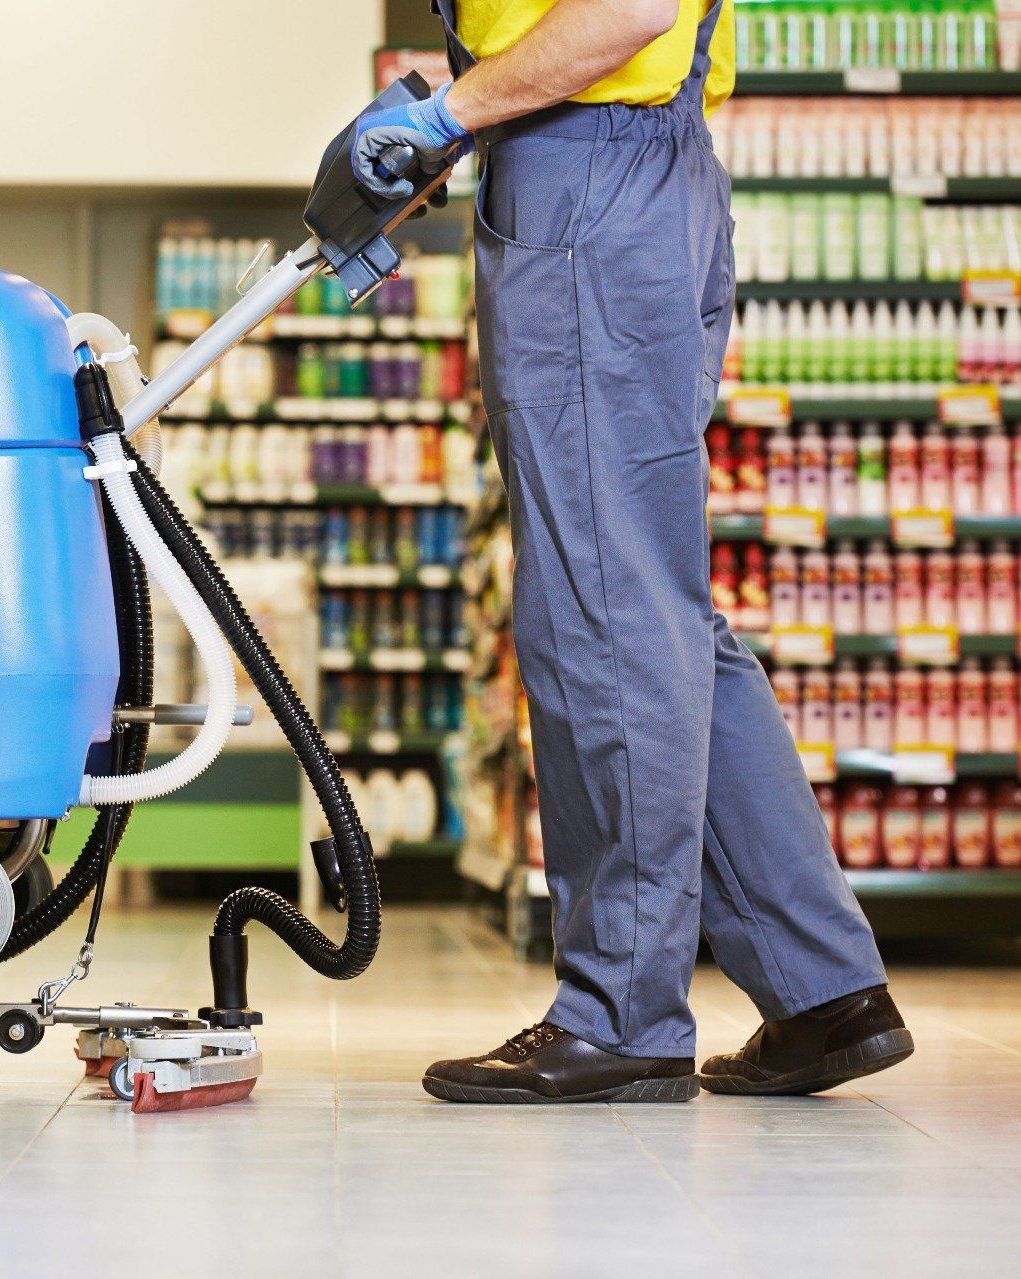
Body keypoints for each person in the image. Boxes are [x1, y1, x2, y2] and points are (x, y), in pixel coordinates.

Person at [354, 0, 914, 1103]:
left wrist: (453, 112)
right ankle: (822, 989)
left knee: (600, 607)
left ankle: (620, 1015)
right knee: (655, 611)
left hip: (593, 185)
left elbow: (632, 5)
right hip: (625, 177)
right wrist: (458, 119)